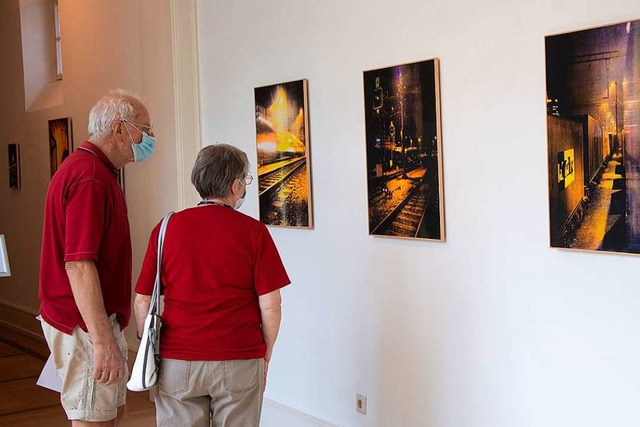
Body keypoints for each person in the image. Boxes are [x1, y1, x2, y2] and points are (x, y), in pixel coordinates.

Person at [134, 144, 290, 427]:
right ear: (235, 185)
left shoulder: (166, 228)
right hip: (239, 357)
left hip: (177, 360)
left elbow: (143, 300)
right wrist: (264, 355)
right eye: (246, 179)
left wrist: (146, 342)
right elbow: (271, 305)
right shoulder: (254, 232)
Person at [38, 89, 156, 426]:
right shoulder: (90, 177)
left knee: (110, 413)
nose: (149, 138)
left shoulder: (94, 170)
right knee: (93, 419)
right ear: (119, 130)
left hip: (93, 322)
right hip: (85, 324)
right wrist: (102, 341)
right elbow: (78, 263)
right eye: (144, 130)